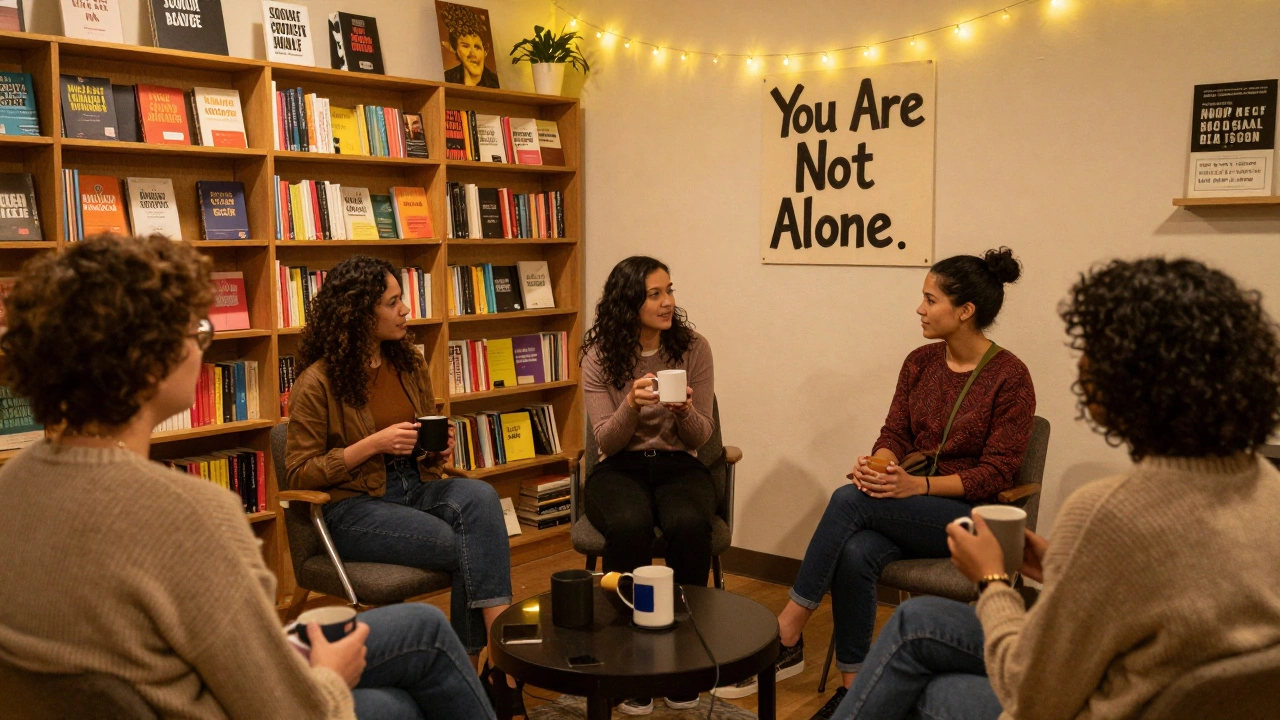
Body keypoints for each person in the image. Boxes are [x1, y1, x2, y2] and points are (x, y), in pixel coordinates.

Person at [0, 235, 495, 719]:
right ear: (150, 363)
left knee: (423, 624)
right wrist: (327, 673)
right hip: (209, 698)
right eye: (196, 331)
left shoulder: (11, 484)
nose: (202, 345)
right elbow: (281, 704)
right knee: (400, 701)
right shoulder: (194, 513)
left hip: (159, 680)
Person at [832, 256, 1280, 719]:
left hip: (1101, 703)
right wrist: (1066, 573)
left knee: (925, 685)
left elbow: (1035, 692)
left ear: (1133, 380)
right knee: (914, 618)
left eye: (1093, 348)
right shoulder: (1269, 487)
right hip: (1157, 683)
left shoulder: (1107, 511)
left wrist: (991, 581)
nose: (1082, 363)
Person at [719, 248, 1036, 718]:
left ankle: (787, 631)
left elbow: (996, 474)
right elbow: (895, 434)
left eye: (931, 300)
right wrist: (882, 464)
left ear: (965, 311)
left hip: (973, 518)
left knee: (850, 501)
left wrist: (916, 488)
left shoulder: (1010, 377)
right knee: (856, 550)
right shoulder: (920, 362)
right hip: (910, 502)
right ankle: (854, 686)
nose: (919, 309)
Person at [283, 255, 523, 716]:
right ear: (360, 313)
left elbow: (420, 436)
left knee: (482, 496)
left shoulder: (408, 362)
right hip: (351, 507)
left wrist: (436, 449)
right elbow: (298, 473)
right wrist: (370, 445)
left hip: (414, 483)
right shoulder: (318, 380)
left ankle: (484, 668)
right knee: (466, 545)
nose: (406, 310)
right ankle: (495, 665)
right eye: (393, 302)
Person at [580, 255, 716, 715]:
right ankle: (628, 658)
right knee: (629, 524)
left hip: (679, 464)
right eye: (655, 294)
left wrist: (684, 413)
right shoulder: (599, 356)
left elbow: (702, 438)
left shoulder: (694, 347)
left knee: (691, 522)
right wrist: (632, 406)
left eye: (670, 291)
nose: (668, 302)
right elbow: (607, 442)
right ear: (628, 302)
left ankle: (684, 656)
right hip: (620, 468)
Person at [440, 5, 500, 88]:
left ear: (485, 50)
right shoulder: (448, 79)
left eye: (477, 47)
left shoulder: (495, 83)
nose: (472, 54)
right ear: (456, 49)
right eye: (465, 46)